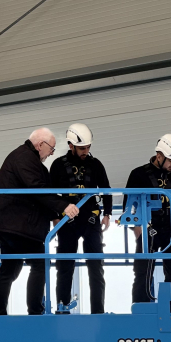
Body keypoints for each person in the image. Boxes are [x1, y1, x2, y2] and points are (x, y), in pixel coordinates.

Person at [0, 128, 79, 315]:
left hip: (12, 225)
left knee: (9, 269)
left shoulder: (26, 158)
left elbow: (38, 192)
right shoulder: (25, 158)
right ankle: (35, 311)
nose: (52, 153)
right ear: (40, 145)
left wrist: (54, 214)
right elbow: (36, 189)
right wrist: (64, 206)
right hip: (16, 225)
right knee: (39, 263)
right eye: (51, 149)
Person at [124, 134, 171, 305]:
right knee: (142, 272)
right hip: (148, 229)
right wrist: (137, 228)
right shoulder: (139, 175)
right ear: (159, 156)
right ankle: (141, 310)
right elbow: (129, 205)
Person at [49, 123, 112, 314]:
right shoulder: (58, 165)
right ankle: (62, 308)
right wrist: (54, 217)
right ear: (71, 145)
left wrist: (107, 214)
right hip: (66, 221)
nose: (86, 151)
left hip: (91, 219)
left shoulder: (96, 164)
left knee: (96, 266)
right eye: (82, 148)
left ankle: (98, 312)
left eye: (88, 147)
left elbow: (106, 189)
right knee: (64, 266)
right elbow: (50, 194)